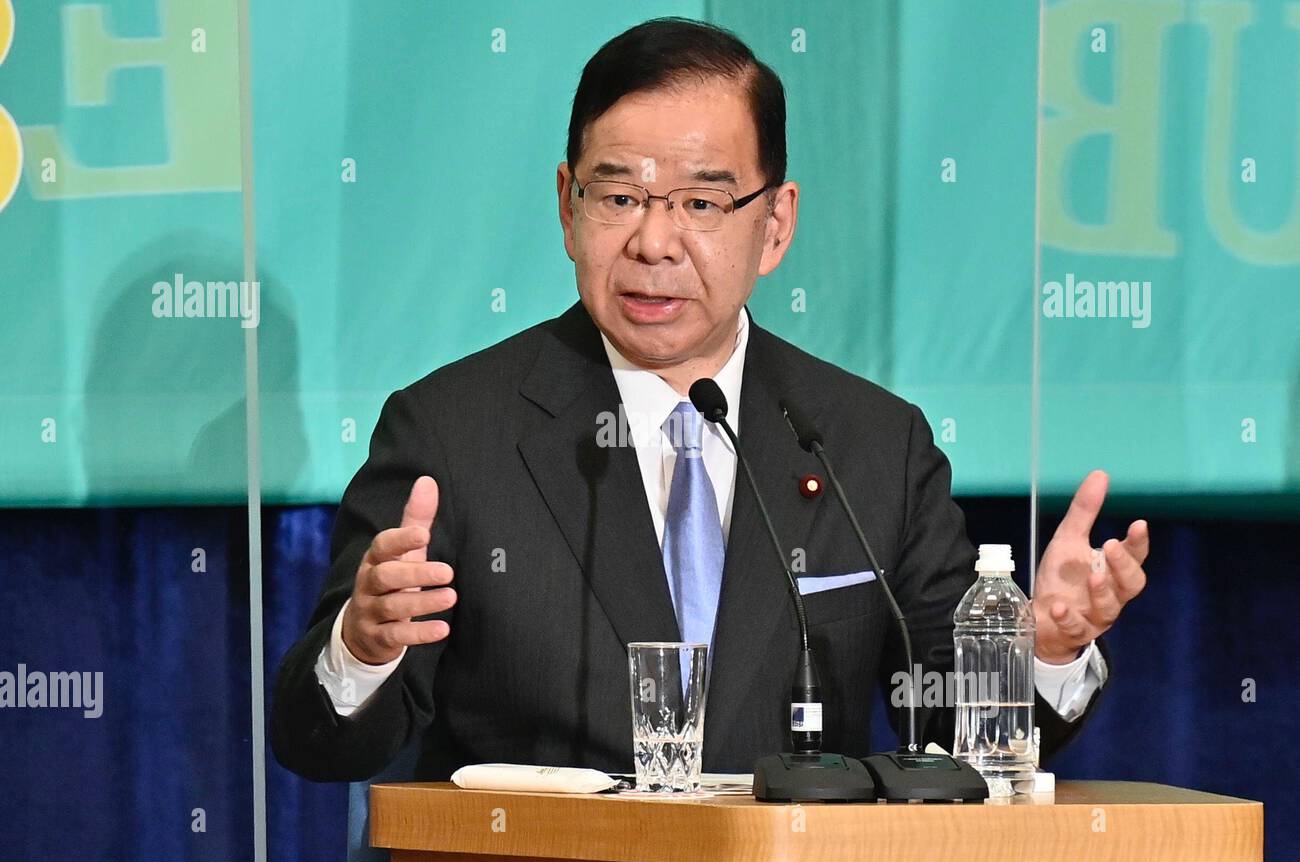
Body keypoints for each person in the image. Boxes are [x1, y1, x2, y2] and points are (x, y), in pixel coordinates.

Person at [270, 17, 1149, 783]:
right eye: (617, 196)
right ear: (567, 206)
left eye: (700, 201)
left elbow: (956, 733)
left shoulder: (872, 443)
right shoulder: (454, 431)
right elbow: (319, 743)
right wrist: (365, 645)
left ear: (775, 225)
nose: (655, 241)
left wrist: (1042, 651)